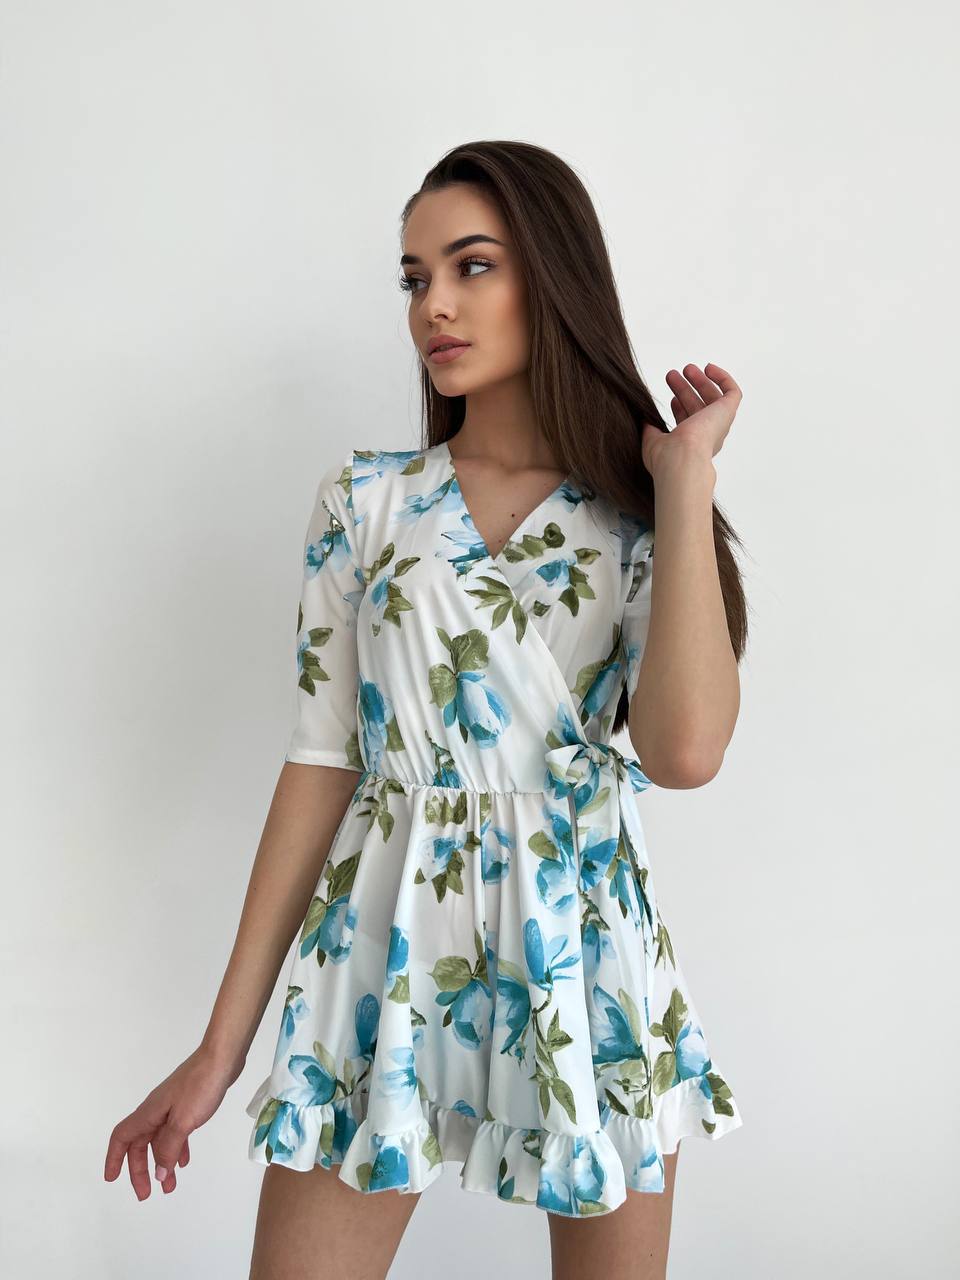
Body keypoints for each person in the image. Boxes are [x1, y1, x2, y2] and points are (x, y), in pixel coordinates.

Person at [104, 140, 746, 1280]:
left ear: (552, 278)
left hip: (583, 954)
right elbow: (321, 762)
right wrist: (220, 1048)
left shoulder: (641, 522)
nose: (433, 305)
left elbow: (685, 751)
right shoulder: (367, 505)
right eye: (413, 278)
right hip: (379, 957)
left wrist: (686, 485)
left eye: (471, 266)